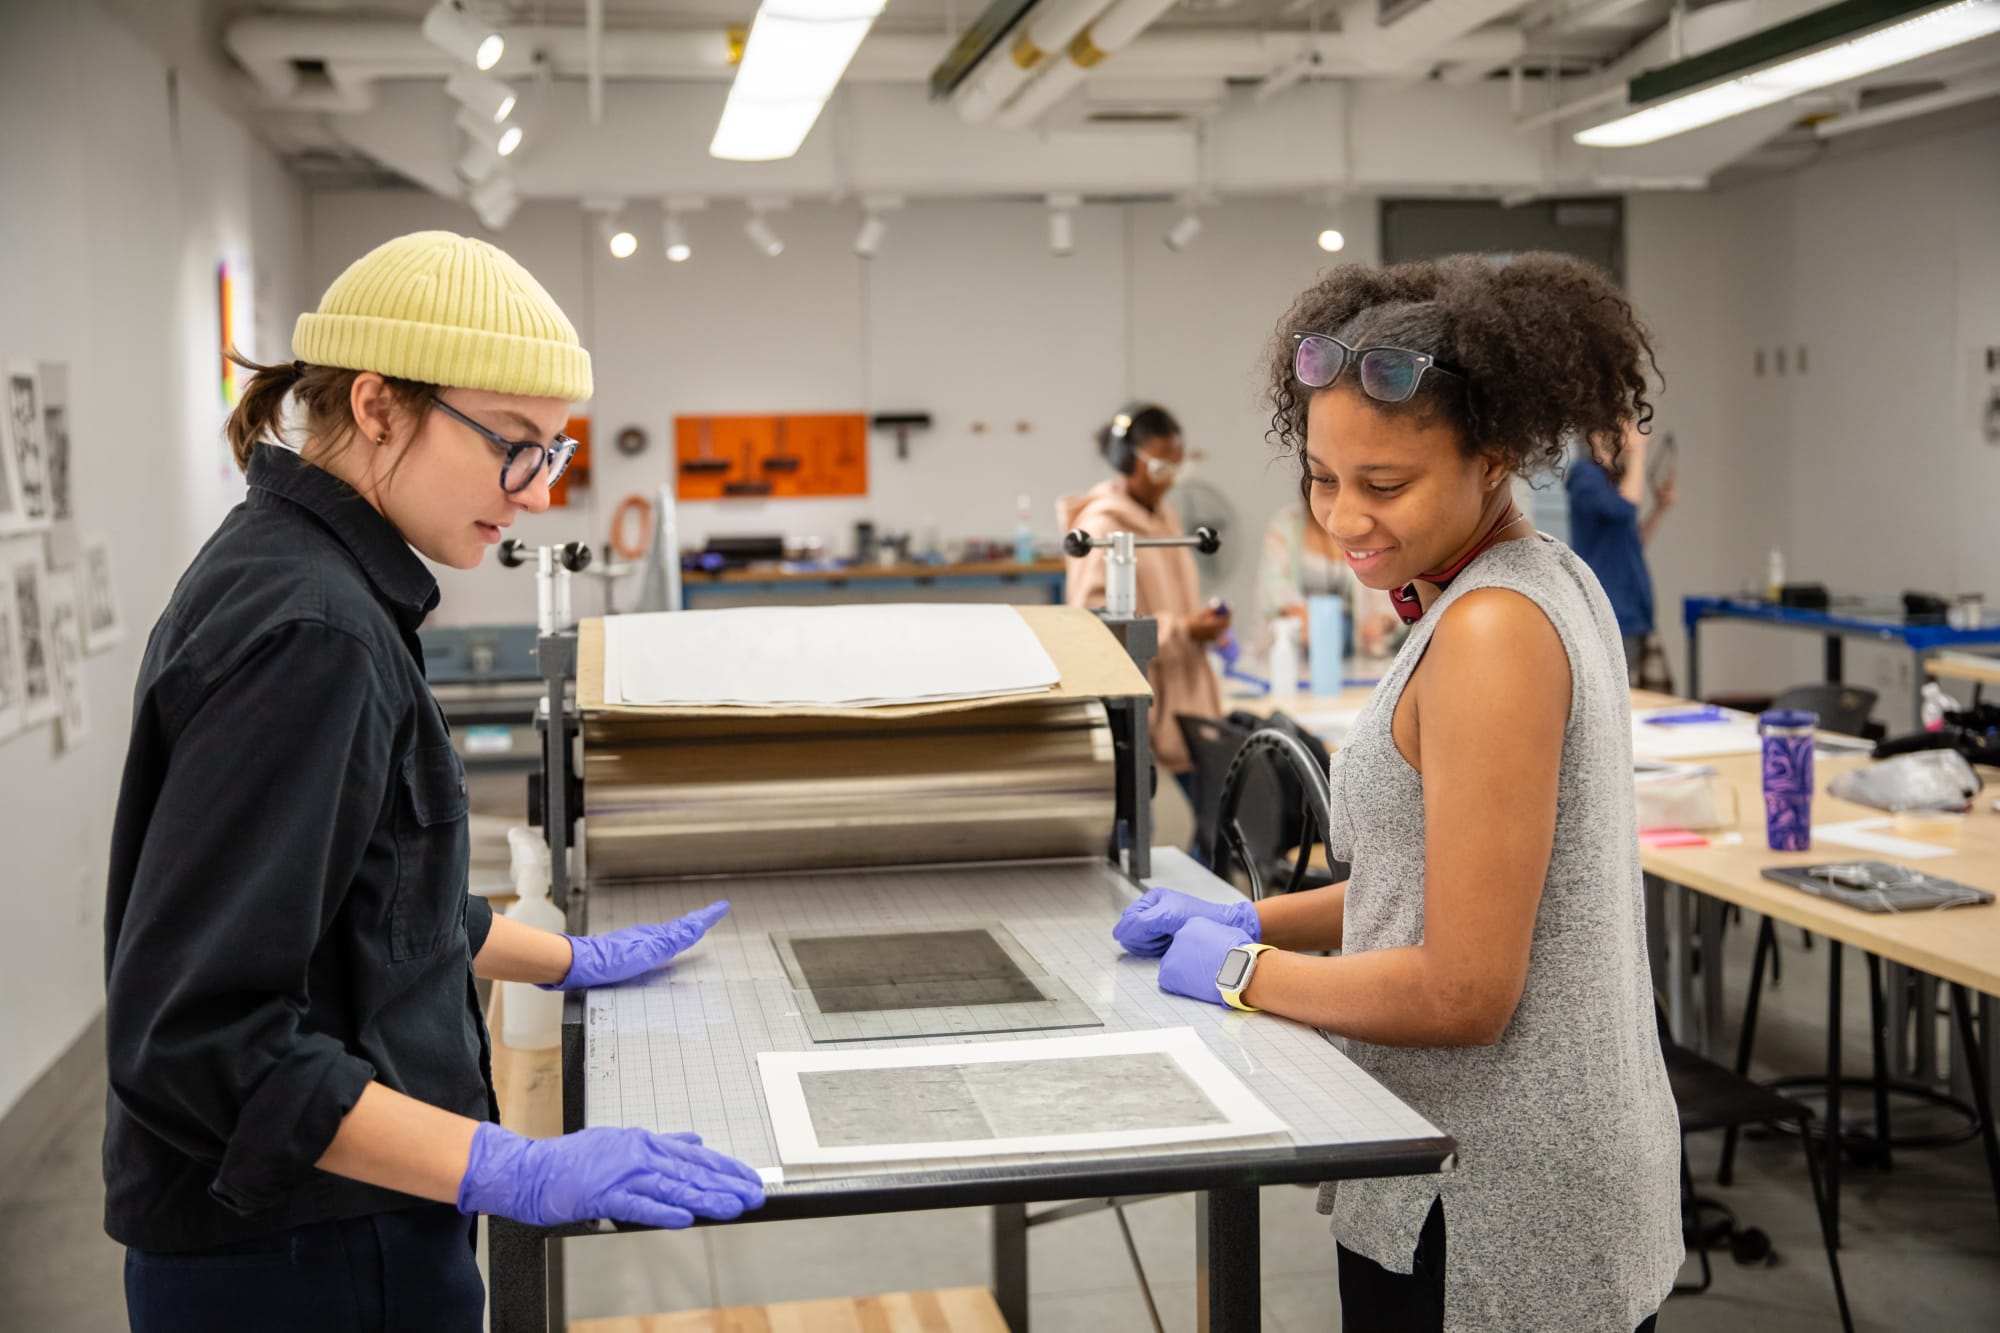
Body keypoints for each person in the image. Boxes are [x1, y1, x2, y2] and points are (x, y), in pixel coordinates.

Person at [102, 231, 765, 1333]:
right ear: (375, 404)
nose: (536, 496)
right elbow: (200, 1040)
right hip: (303, 1248)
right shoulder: (314, 631)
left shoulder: (302, 575)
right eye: (515, 444)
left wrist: (560, 957)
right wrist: (508, 1168)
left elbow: (355, 900)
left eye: (549, 455)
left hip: (324, 1219)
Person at [1111, 254, 1680, 1332]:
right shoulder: (1529, 579)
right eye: (1322, 478)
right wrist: (1249, 912)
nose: (1342, 518)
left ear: (1493, 459)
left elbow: (1464, 989)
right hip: (1505, 1167)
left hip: (1496, 1202)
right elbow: (1433, 885)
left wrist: (1241, 968)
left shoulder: (1490, 629)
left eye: (1384, 486)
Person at [1060, 403, 1228, 790]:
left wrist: (1201, 624)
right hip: (1137, 710)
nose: (1170, 481)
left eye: (1177, 467)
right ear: (1126, 460)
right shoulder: (1101, 528)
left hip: (1184, 705)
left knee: (1213, 825)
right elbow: (1096, 632)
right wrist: (1184, 631)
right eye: (1160, 468)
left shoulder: (1165, 517)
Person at [1567, 419, 1677, 690]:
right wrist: (1638, 452)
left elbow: (1632, 540)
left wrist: (1659, 510)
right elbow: (1624, 509)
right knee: (1619, 696)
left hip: (1636, 612)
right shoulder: (1585, 475)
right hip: (1612, 610)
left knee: (1645, 698)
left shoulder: (1613, 483)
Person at [1256, 493, 1403, 669]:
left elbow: (1394, 587)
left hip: (1361, 655)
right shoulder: (1287, 523)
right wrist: (1301, 618)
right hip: (1301, 651)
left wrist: (1384, 623)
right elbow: (1274, 588)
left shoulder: (1370, 525)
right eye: (1325, 480)